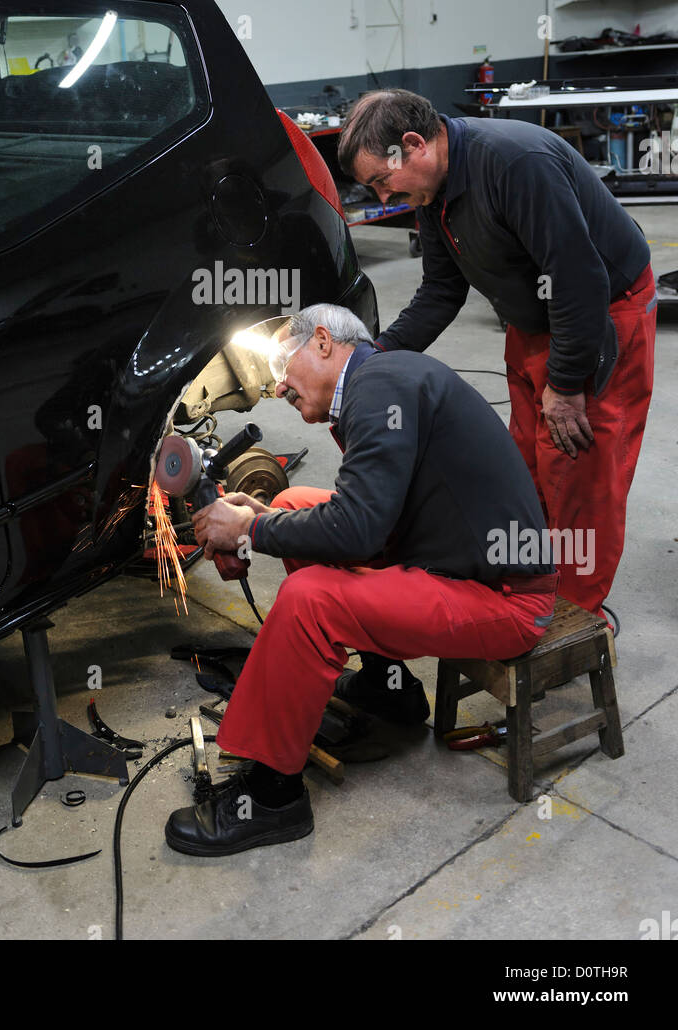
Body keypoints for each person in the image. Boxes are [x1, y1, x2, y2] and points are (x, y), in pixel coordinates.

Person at [164, 305, 557, 857]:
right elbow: (371, 518)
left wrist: (252, 528)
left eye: (283, 365)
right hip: (447, 554)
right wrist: (267, 519)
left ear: (323, 342)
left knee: (310, 601)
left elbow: (358, 532)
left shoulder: (381, 388)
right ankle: (385, 688)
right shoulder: (382, 379)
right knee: (293, 501)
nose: (277, 386)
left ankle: (274, 797)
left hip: (506, 598)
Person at [337, 90, 656, 617]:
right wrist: (372, 359)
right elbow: (441, 290)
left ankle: (574, 618)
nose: (385, 195)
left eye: (382, 180)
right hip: (536, 315)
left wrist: (569, 382)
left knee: (580, 476)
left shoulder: (515, 163)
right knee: (522, 464)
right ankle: (529, 583)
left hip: (601, 314)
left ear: (414, 144)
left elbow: (578, 280)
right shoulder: (432, 191)